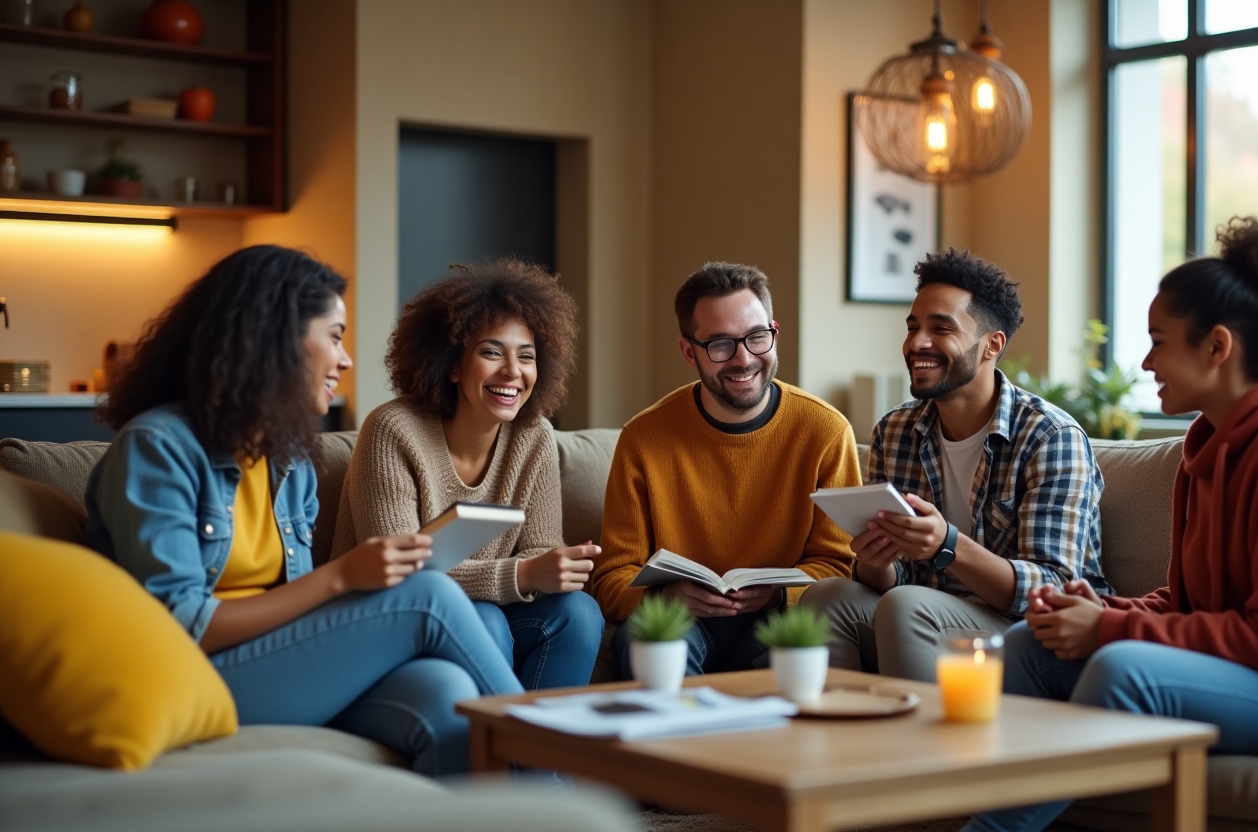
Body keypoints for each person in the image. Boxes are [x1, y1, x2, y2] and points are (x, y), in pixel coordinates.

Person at [963, 217, 1258, 832]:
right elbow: (1190, 601)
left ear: (1217, 346)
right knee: (1026, 645)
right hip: (1251, 670)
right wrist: (1107, 609)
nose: (1145, 361)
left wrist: (1114, 631)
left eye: (1158, 340)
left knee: (1124, 670)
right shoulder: (1206, 446)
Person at [84, 245, 523, 776]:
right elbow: (184, 623)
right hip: (188, 675)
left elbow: (291, 601)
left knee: (446, 692)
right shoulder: (158, 447)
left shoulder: (287, 458)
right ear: (274, 340)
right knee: (429, 595)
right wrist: (341, 577)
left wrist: (359, 586)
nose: (346, 359)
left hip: (273, 660)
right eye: (335, 337)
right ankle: (565, 789)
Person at [801, 248, 1110, 681]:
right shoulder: (895, 430)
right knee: (826, 597)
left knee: (907, 607)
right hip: (923, 614)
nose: (917, 343)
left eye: (940, 328)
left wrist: (947, 544)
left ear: (992, 345)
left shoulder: (1050, 437)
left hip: (1028, 632)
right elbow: (896, 578)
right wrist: (876, 560)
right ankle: (841, 739)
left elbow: (1051, 587)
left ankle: (927, 748)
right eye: (913, 328)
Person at [333, 259, 603, 691]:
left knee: (580, 613)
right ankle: (501, 749)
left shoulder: (533, 437)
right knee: (487, 621)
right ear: (452, 364)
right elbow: (398, 578)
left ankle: (543, 754)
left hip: (481, 609)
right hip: (384, 619)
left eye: (527, 356)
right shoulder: (392, 431)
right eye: (492, 352)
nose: (513, 371)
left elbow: (539, 549)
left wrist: (556, 566)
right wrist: (522, 575)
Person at [588, 261, 862, 676]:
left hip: (777, 619)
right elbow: (610, 579)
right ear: (688, 351)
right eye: (719, 344)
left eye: (756, 338)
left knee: (799, 646)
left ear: (774, 332)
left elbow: (841, 565)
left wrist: (776, 594)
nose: (743, 358)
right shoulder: (643, 438)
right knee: (647, 638)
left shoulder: (825, 431)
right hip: (678, 621)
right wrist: (669, 597)